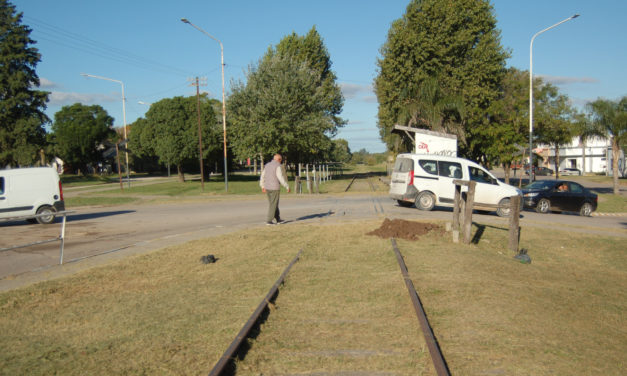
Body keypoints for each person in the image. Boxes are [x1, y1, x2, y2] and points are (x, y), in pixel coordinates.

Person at [260, 154, 290, 225]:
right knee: (273, 204)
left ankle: (278, 218)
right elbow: (280, 177)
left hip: (267, 187)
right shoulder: (278, 166)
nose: (281, 162)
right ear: (279, 160)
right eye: (281, 160)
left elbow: (262, 176)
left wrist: (262, 186)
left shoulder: (267, 165)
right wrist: (287, 186)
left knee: (273, 203)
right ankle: (269, 220)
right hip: (274, 188)